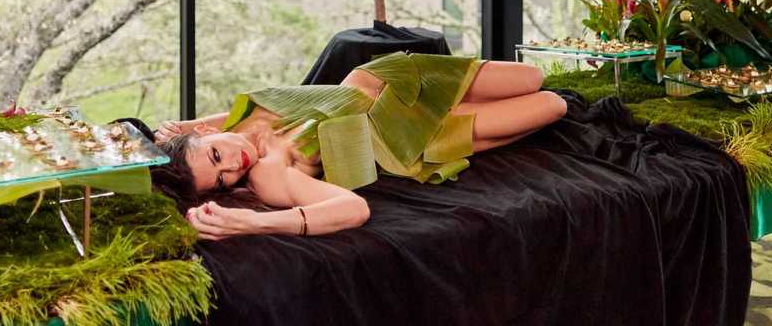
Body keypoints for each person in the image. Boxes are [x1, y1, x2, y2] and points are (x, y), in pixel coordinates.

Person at [152, 52, 567, 241]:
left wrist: (172, 133)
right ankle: (470, 122)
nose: (233, 165)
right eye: (224, 180)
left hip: (394, 76)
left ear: (205, 134)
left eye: (216, 156)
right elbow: (353, 209)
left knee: (532, 76)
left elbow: (185, 131)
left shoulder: (238, 119)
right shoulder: (268, 174)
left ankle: (473, 106)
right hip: (411, 133)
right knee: (553, 104)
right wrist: (256, 223)